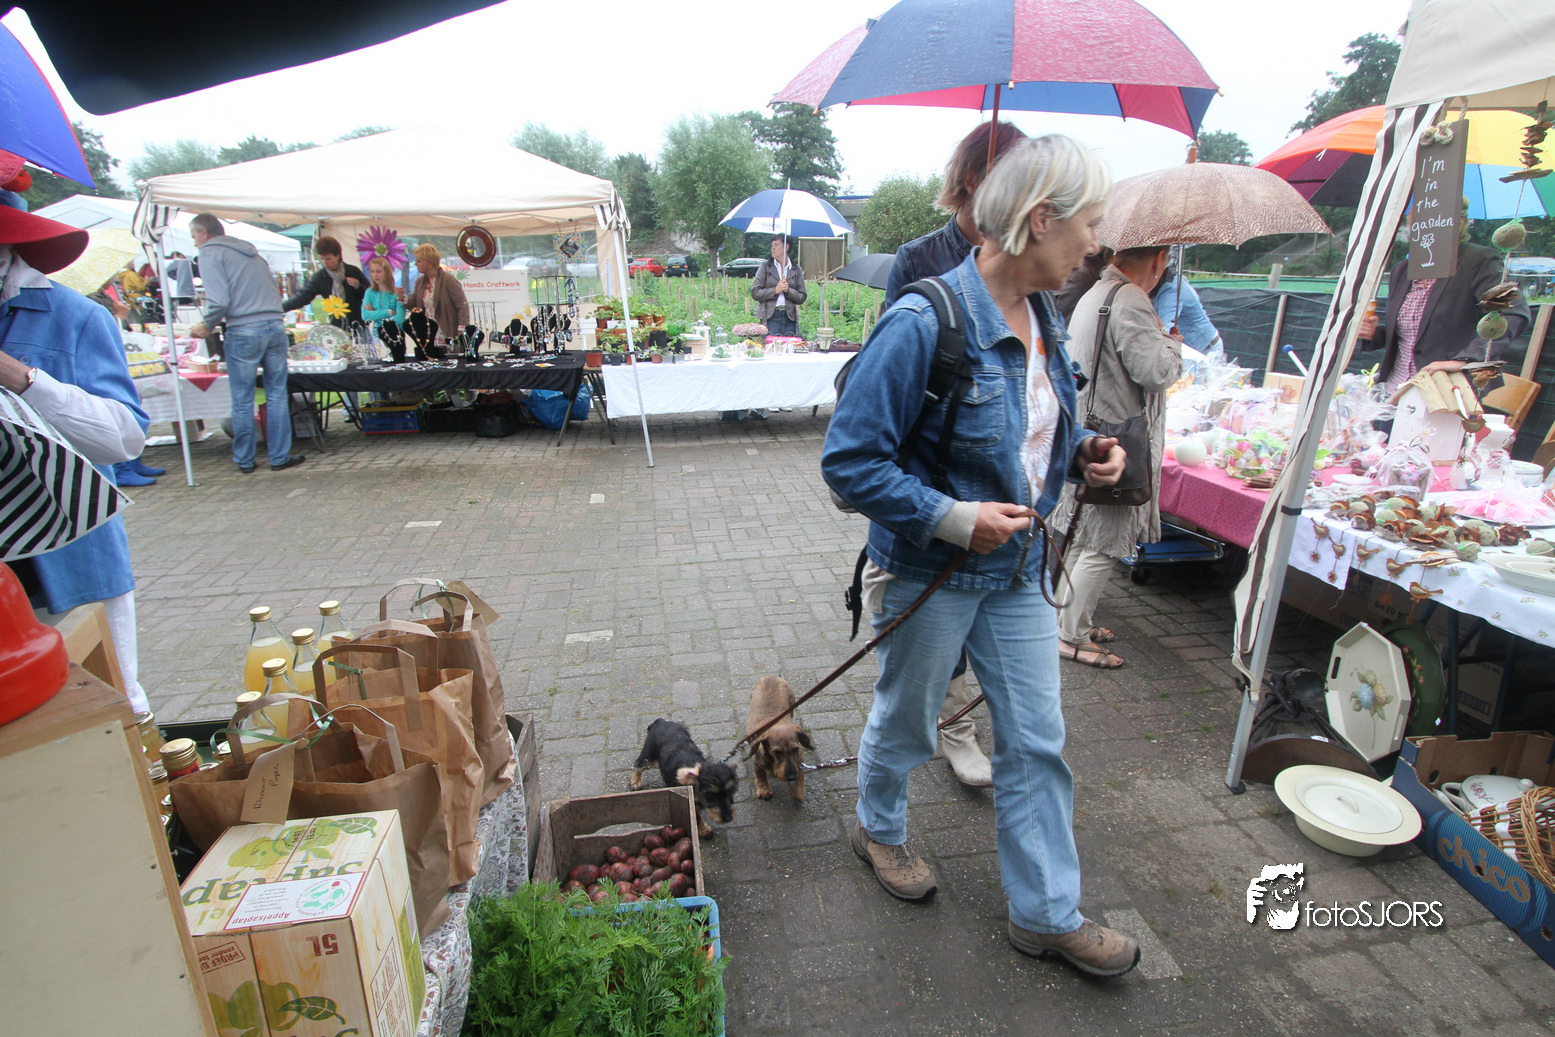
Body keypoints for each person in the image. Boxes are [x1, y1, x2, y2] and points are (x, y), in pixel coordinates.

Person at [821, 134, 1140, 977]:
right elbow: (848, 462)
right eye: (1089, 224)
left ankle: (1045, 914)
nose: (1096, 244)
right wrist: (953, 517)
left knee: (1036, 740)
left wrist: (1082, 449)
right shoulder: (922, 320)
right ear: (1040, 220)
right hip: (931, 572)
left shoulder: (1044, 316)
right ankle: (878, 828)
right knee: (909, 720)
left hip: (1018, 573)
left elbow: (1028, 425)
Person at [878, 119, 1026, 788]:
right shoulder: (919, 260)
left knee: (1021, 696)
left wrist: (1079, 445)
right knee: (927, 639)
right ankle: (947, 731)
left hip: (1007, 498)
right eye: (1013, 175)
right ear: (972, 179)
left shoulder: (1030, 267)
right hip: (936, 483)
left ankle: (956, 723)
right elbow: (893, 387)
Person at [0, 200, 156, 714]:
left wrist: (21, 378)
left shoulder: (74, 317)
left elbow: (124, 438)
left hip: (67, 560)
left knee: (108, 711)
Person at [1049, 246, 1183, 670]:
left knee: (1082, 536)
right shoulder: (1130, 299)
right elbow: (1155, 373)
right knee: (1104, 543)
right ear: (1159, 258)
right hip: (1115, 439)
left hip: (1092, 429)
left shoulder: (1098, 291)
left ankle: (1065, 623)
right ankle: (1070, 635)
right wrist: (1171, 344)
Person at [1358, 208, 1530, 392]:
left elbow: (1512, 313)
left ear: (1459, 223)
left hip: (1447, 390)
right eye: (1416, 220)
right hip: (1396, 386)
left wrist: (1465, 359)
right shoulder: (1402, 270)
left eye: (1431, 220)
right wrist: (1375, 333)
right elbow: (1414, 335)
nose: (1422, 227)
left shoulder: (1478, 261)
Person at [188, 213, 306, 473]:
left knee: (243, 398)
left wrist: (206, 325)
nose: (194, 242)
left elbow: (219, 300)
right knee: (276, 394)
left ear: (204, 232)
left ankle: (245, 459)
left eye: (194, 235)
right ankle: (279, 456)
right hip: (274, 324)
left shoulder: (209, 253)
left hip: (244, 328)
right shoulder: (251, 253)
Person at [885, 119, 1027, 305]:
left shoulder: (1027, 260)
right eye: (1013, 181)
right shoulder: (915, 260)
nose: (1025, 195)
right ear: (972, 182)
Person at [282, 236, 367, 326]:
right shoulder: (320, 277)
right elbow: (303, 297)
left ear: (337, 256)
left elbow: (369, 294)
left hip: (358, 323)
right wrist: (280, 308)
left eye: (328, 259)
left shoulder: (353, 271)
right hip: (336, 325)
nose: (325, 262)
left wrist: (358, 286)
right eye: (322, 258)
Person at [410, 243, 469, 345]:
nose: (415, 264)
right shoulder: (420, 282)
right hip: (427, 333)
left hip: (446, 332)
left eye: (419, 261)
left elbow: (462, 305)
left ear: (430, 263)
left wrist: (461, 328)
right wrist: (402, 298)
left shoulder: (448, 280)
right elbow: (414, 304)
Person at [1151, 267, 1221, 352]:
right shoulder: (1163, 285)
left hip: (1205, 349)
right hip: (1193, 347)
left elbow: (1165, 331)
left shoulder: (1172, 289)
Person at [751, 234, 806, 338]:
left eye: (776, 245)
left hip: (790, 317)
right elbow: (755, 292)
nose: (773, 248)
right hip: (770, 317)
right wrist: (775, 290)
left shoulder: (796, 269)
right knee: (770, 346)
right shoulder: (765, 267)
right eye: (772, 245)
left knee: (790, 346)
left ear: (786, 247)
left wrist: (788, 291)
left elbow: (802, 296)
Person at [361, 255, 406, 336]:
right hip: (376, 335)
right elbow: (365, 315)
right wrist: (389, 312)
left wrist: (374, 314)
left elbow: (400, 319)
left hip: (395, 335)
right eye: (372, 271)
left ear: (387, 272)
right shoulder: (369, 292)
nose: (375, 275)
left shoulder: (396, 292)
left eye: (378, 271)